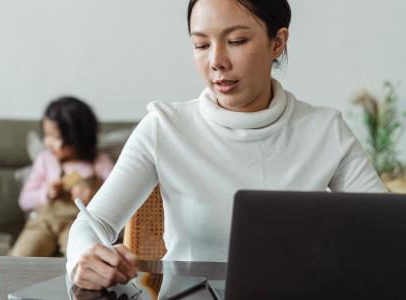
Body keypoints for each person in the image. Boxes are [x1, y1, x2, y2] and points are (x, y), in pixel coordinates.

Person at [66, 0, 387, 290]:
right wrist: (86, 258)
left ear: (277, 42)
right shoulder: (165, 127)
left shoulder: (324, 130)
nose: (216, 61)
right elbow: (93, 224)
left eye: (236, 41)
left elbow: (388, 232)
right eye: (201, 45)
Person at [10, 96, 114, 257]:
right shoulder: (45, 160)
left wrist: (93, 199)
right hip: (44, 222)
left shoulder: (100, 163)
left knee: (82, 258)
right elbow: (24, 200)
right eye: (46, 135)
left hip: (79, 224)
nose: (48, 142)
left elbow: (116, 199)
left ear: (79, 137)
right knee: (21, 256)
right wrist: (46, 192)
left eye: (56, 137)